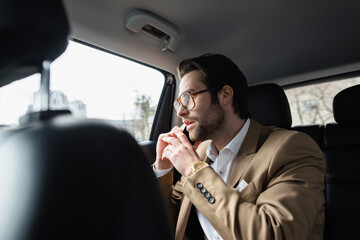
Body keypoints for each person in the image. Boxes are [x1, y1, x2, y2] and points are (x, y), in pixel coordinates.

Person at [153, 54, 325, 240]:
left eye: (188, 97)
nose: (181, 111)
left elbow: (276, 234)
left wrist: (194, 170)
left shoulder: (292, 147)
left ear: (225, 94)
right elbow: (164, 223)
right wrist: (163, 170)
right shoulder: (201, 152)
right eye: (179, 102)